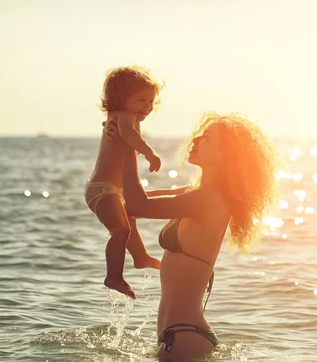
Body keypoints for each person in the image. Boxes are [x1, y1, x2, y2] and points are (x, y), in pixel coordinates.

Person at [110, 111, 280, 360]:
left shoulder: (206, 200)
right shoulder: (197, 193)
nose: (196, 140)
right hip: (177, 336)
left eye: (207, 137)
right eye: (199, 134)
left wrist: (127, 147)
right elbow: (128, 201)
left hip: (184, 339)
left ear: (224, 155)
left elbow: (137, 205)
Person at [84, 65, 163, 299]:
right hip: (101, 190)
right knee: (121, 230)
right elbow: (129, 135)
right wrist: (149, 152)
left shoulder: (117, 117)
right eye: (141, 100)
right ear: (121, 98)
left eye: (151, 102)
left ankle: (140, 257)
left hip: (112, 190)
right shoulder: (125, 117)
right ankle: (113, 276)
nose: (147, 107)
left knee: (130, 223)